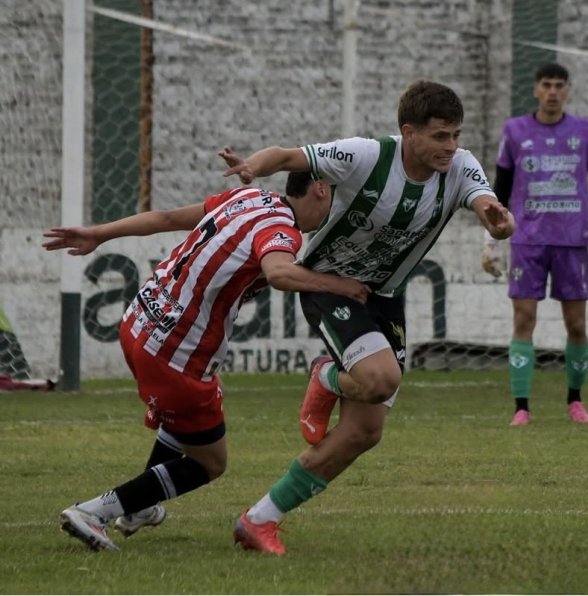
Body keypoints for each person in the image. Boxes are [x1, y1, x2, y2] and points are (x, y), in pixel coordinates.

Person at [219, 80, 515, 555]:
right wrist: (253, 165)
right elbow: (288, 155)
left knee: (365, 431)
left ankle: (259, 519)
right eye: (440, 136)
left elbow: (486, 202)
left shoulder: (459, 166)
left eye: (456, 135)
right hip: (327, 284)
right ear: (409, 132)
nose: (451, 146)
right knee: (380, 379)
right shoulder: (365, 156)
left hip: (386, 296)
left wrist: (498, 219)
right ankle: (329, 376)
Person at [42, 172, 370, 551]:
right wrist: (340, 285)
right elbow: (279, 272)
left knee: (194, 413)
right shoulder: (283, 229)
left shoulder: (247, 197)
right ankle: (94, 511)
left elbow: (166, 218)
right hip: (175, 356)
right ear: (320, 188)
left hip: (139, 321)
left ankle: (140, 508)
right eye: (337, 200)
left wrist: (100, 234)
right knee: (210, 463)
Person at [480, 62, 588, 426]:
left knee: (576, 325)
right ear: (536, 89)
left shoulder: (584, 131)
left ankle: (575, 401)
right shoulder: (514, 131)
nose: (553, 92)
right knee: (523, 319)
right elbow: (502, 186)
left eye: (560, 85)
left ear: (568, 90)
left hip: (572, 240)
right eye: (546, 84)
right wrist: (490, 238)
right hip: (527, 240)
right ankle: (521, 408)